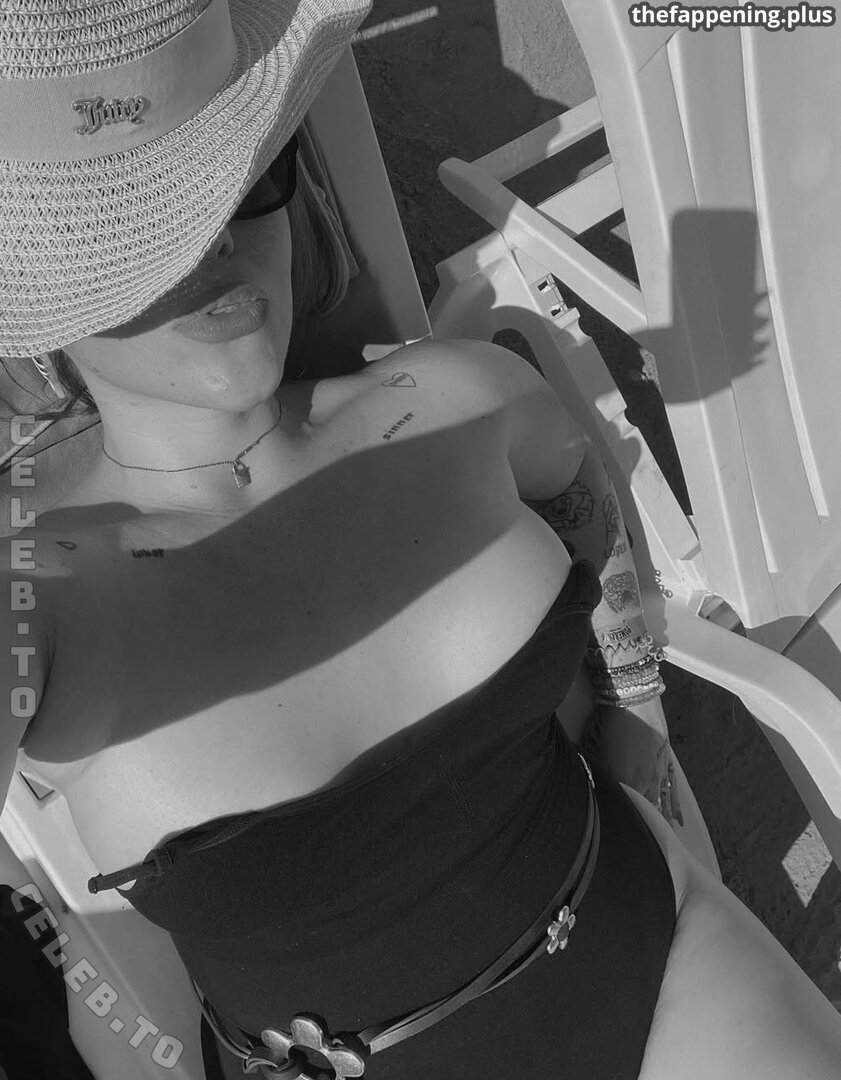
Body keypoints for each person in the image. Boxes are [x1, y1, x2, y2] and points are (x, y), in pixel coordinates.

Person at [2, 3, 841, 1079]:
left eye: (243, 186)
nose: (216, 247)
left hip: (658, 950)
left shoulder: (452, 394)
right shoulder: (33, 586)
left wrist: (635, 708)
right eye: (137, 239)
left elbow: (579, 494)